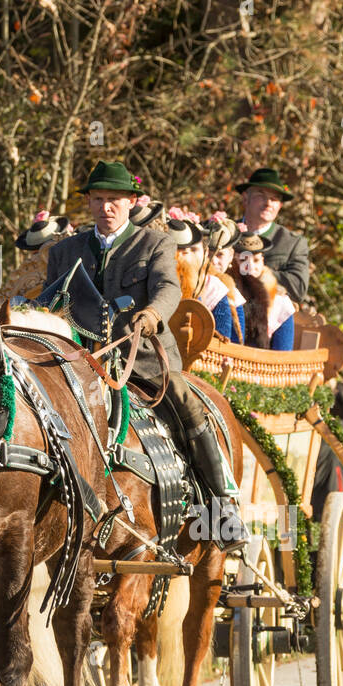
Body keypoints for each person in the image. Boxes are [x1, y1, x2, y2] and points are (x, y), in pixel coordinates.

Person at [44, 159, 248, 549]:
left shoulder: (155, 243)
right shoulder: (65, 250)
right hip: (79, 361)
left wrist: (153, 313)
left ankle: (224, 506)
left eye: (114, 200)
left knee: (188, 405)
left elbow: (169, 289)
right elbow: (52, 298)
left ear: (131, 201)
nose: (106, 207)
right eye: (98, 199)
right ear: (88, 203)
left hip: (143, 360)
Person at [236, 166, 309, 304]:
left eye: (274, 199)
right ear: (246, 198)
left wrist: (261, 272)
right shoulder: (226, 232)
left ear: (280, 206)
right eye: (261, 196)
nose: (268, 203)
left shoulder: (293, 243)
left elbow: (298, 288)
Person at [230, 232, 295, 350]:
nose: (250, 267)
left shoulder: (279, 301)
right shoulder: (228, 292)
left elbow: (283, 352)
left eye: (256, 260)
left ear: (263, 261)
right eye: (243, 260)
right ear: (233, 260)